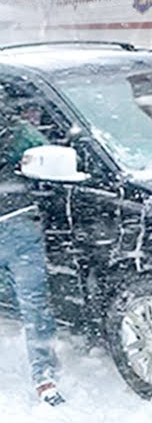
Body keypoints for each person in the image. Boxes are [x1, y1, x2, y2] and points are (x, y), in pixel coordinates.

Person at [0, 105, 65, 407]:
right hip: (18, 221)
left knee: (31, 302)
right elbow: (50, 155)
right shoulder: (16, 131)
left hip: (17, 223)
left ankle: (44, 375)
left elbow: (47, 155)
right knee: (33, 303)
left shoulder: (14, 130)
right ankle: (44, 376)